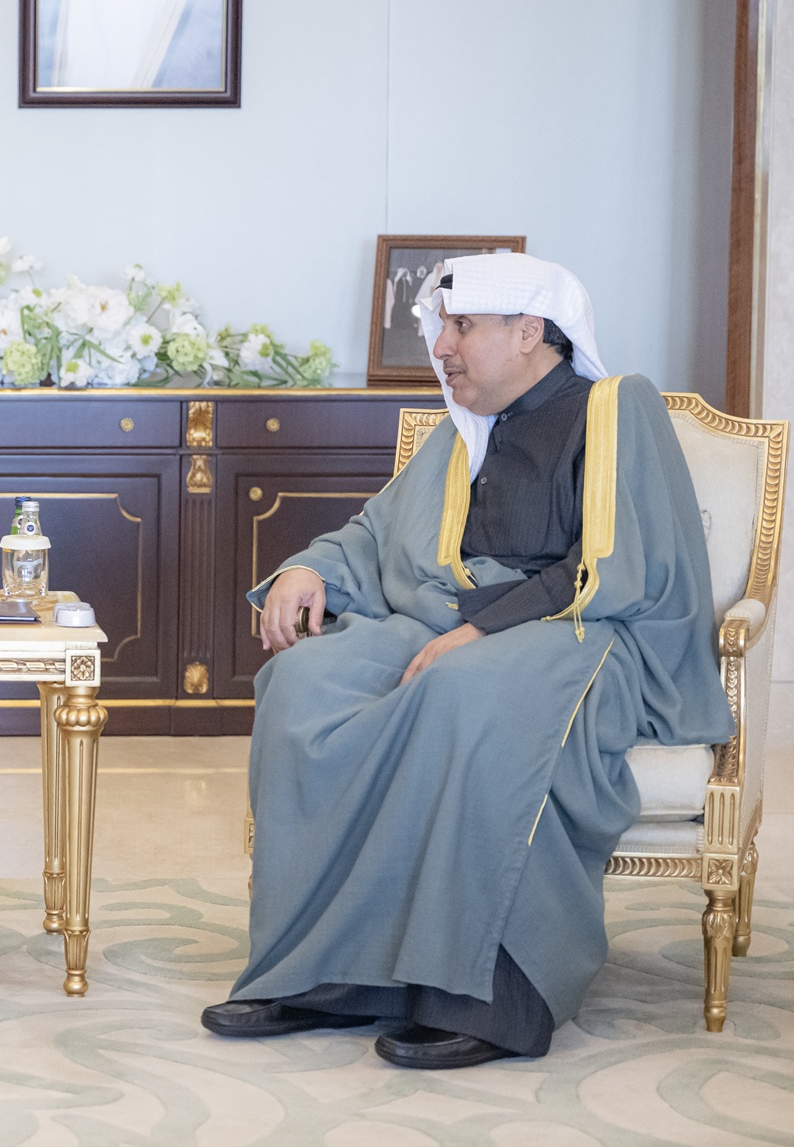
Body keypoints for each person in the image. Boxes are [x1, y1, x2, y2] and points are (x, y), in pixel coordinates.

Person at [200, 254, 732, 1068]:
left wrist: (484, 630)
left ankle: (485, 998)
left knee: (463, 690)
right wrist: (308, 569)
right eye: (441, 327)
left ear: (529, 331)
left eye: (462, 326)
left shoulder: (619, 407)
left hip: (582, 628)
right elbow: (377, 534)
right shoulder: (463, 432)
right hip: (446, 618)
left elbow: (618, 563)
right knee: (305, 682)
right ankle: (323, 974)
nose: (441, 346)